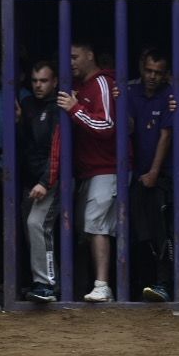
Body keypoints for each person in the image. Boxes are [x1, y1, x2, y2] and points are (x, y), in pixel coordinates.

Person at [58, 41, 117, 303]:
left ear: (90, 55)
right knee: (87, 228)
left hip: (107, 167)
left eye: (74, 57)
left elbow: (106, 125)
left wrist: (74, 109)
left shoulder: (101, 84)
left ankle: (103, 285)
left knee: (97, 224)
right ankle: (93, 284)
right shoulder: (81, 87)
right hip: (87, 171)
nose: (70, 63)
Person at [128, 50, 175, 302]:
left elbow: (166, 135)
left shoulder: (169, 95)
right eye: (149, 70)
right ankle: (142, 284)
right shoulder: (132, 94)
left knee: (161, 231)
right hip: (136, 175)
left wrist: (155, 172)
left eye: (158, 72)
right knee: (139, 232)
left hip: (161, 176)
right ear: (141, 68)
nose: (153, 77)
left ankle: (164, 284)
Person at [18, 61, 61, 303]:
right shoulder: (27, 105)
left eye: (43, 81)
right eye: (34, 81)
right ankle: (38, 281)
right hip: (30, 181)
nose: (38, 85)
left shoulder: (57, 108)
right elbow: (24, 145)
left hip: (52, 180)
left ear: (54, 82)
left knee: (37, 224)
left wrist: (46, 181)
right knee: (31, 228)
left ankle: (47, 284)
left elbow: (57, 150)